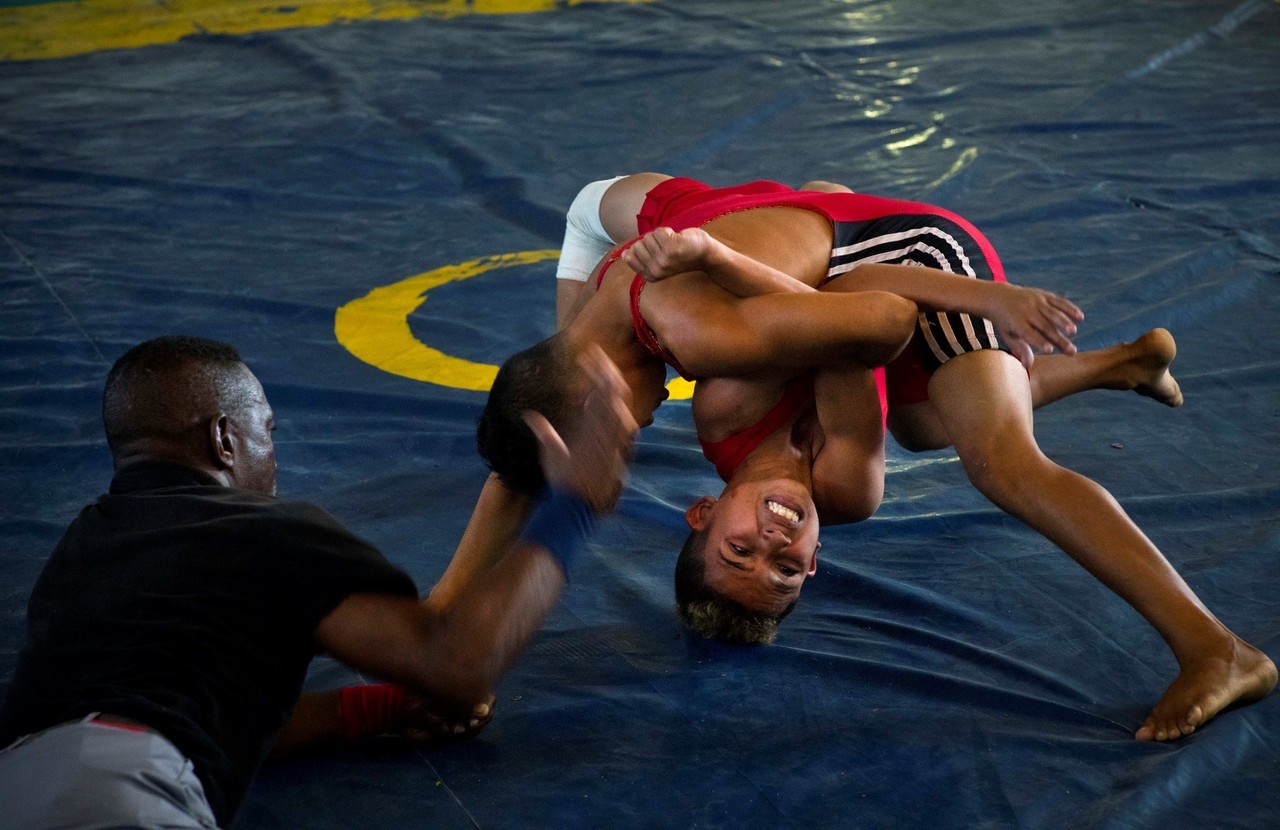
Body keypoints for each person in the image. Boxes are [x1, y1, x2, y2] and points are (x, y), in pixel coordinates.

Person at [558, 174, 1276, 743]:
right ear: (812, 562)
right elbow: (859, 332)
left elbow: (854, 301)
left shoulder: (724, 410)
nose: (772, 543)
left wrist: (990, 299)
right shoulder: (849, 487)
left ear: (705, 509)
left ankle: (1216, 648)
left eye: (741, 549)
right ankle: (1122, 364)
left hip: (907, 262)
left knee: (1001, 463)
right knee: (929, 427)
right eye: (782, 569)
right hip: (862, 303)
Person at [0, 334, 638, 829]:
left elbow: (163, 714)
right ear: (224, 439)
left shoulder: (82, 548)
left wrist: (368, 710)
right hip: (120, 798)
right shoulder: (261, 532)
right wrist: (572, 507)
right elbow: (458, 663)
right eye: (267, 433)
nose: (275, 458)